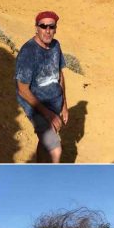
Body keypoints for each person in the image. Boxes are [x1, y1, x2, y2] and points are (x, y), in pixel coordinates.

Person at [15, 11, 68, 163]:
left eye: (51, 26)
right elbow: (22, 90)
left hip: (54, 102)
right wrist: (48, 114)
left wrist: (64, 104)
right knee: (55, 149)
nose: (47, 30)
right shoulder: (28, 52)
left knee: (45, 140)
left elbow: (59, 74)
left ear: (56, 28)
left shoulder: (56, 46)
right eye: (43, 26)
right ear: (36, 28)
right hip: (37, 106)